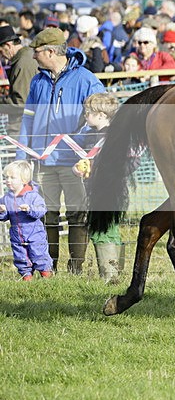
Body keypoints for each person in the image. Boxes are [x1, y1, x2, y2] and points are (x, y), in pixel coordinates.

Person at [16, 27, 105, 274]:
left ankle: (76, 266)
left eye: (37, 52)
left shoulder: (87, 80)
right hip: (42, 162)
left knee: (78, 215)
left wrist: (86, 150)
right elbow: (28, 120)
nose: (33, 57)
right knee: (45, 215)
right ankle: (48, 265)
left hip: (74, 164)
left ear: (51, 52)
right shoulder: (37, 81)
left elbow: (102, 118)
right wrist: (22, 158)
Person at [73, 93, 125, 283]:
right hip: (91, 189)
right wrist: (78, 168)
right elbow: (84, 159)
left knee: (103, 229)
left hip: (109, 190)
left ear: (102, 115)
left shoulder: (115, 136)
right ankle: (115, 272)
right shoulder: (88, 135)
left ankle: (110, 276)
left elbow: (120, 163)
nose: (85, 115)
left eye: (89, 112)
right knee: (108, 229)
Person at [0, 160, 53, 281]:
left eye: (12, 177)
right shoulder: (6, 198)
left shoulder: (32, 196)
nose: (8, 180)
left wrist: (29, 209)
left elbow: (41, 210)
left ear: (23, 180)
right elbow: (5, 217)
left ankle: (47, 276)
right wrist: (2, 212)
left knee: (39, 255)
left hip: (35, 234)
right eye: (6, 177)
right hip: (16, 235)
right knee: (21, 257)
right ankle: (26, 278)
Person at [0, 25, 38, 136]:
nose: (2, 56)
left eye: (1, 51)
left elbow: (20, 102)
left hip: (22, 129)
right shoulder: (24, 58)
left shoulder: (23, 63)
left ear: (8, 45)